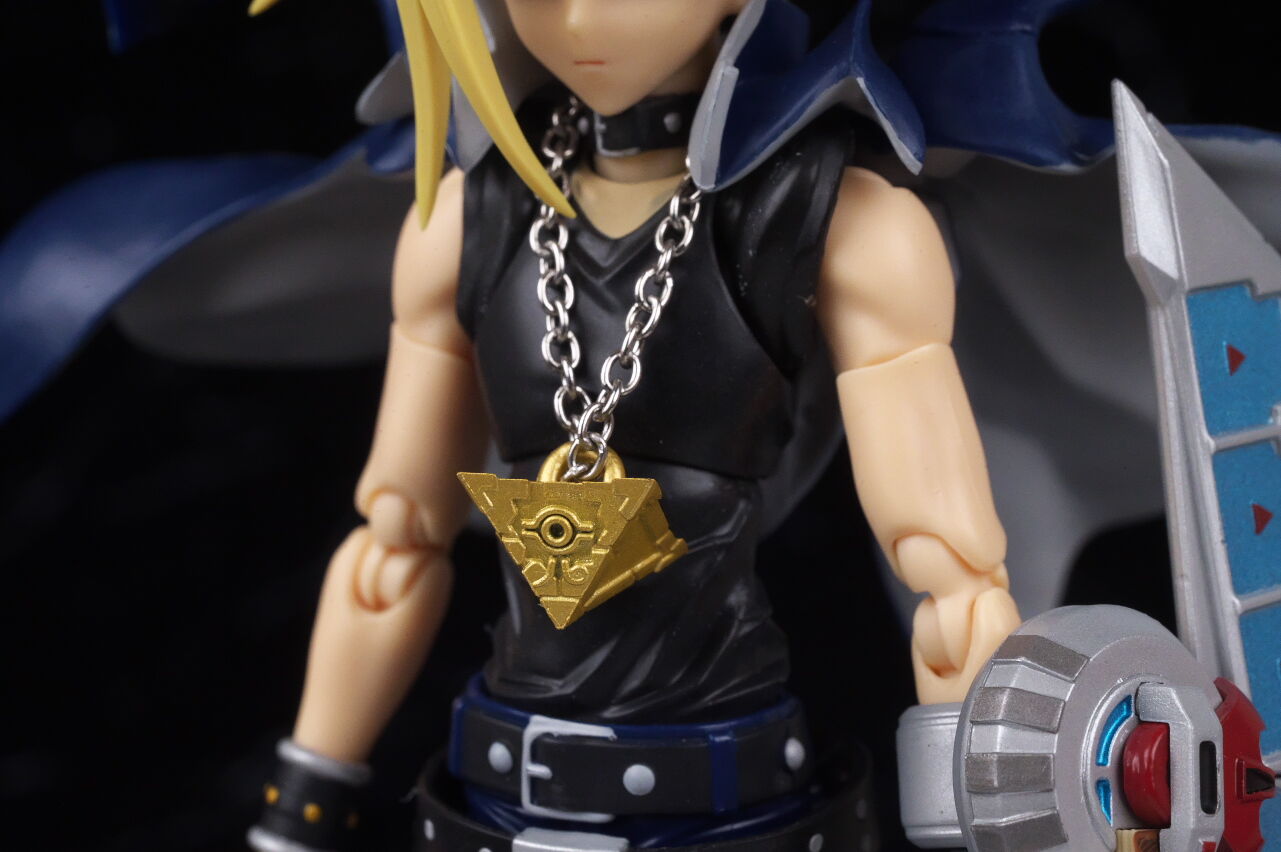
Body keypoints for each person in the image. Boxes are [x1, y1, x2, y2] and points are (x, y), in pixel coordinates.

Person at [249, 1, 1021, 849]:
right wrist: (303, 798)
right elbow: (393, 545)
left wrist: (986, 820)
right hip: (499, 797)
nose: (580, 20)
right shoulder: (463, 218)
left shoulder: (846, 222)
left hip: (731, 801)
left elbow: (955, 581)